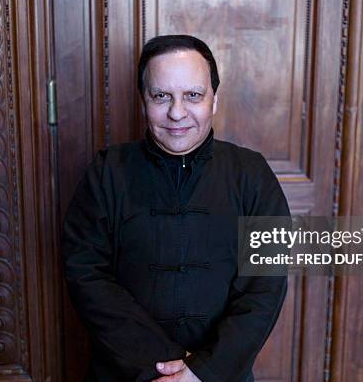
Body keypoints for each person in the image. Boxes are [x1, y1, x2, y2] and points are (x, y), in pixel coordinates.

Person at [61, 34, 290, 382]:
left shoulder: (251, 175)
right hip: (126, 372)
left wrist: (203, 371)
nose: (176, 112)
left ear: (214, 100)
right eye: (161, 96)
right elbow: (87, 275)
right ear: (143, 102)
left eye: (193, 96)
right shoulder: (106, 173)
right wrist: (167, 364)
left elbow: (265, 286)